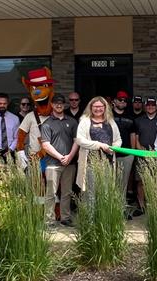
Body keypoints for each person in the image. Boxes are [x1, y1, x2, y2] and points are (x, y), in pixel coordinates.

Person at [41, 95, 79, 227]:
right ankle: (49, 220)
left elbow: (76, 142)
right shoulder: (47, 124)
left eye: (61, 103)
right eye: (56, 103)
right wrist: (60, 157)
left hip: (70, 163)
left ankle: (65, 218)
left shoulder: (73, 122)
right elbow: (45, 145)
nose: (58, 105)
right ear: (51, 105)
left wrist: (69, 156)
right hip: (52, 164)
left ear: (64, 105)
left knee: (67, 192)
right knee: (51, 193)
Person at [75, 96, 122, 192]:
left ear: (105, 107)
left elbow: (118, 139)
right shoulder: (84, 121)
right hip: (90, 164)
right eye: (95, 106)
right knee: (90, 194)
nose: (98, 109)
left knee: (105, 193)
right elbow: (80, 140)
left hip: (108, 163)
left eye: (101, 106)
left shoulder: (110, 121)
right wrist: (99, 145)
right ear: (91, 107)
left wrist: (114, 148)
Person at [134, 96, 157, 215]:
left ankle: (154, 204)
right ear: (145, 106)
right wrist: (140, 150)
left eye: (153, 105)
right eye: (148, 105)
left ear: (156, 106)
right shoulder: (139, 120)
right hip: (142, 155)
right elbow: (135, 137)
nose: (150, 107)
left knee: (156, 181)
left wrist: (156, 152)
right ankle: (141, 206)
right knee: (141, 181)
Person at [112, 90, 136, 199]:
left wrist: (133, 153)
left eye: (124, 100)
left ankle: (121, 208)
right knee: (110, 182)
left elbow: (133, 135)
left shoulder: (130, 117)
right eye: (120, 100)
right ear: (115, 101)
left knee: (123, 183)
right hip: (111, 154)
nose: (122, 102)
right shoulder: (108, 116)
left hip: (126, 155)